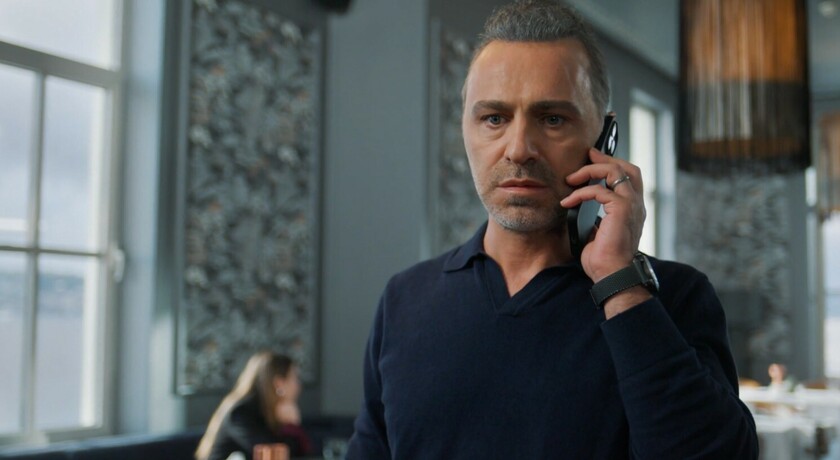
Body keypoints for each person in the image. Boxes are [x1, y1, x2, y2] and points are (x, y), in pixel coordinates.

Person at [346, 1, 758, 458]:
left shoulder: (674, 299)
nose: (519, 148)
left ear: (605, 139)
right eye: (494, 118)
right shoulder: (404, 301)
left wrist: (620, 283)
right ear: (465, 129)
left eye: (552, 119)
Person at [195, 351, 312, 460]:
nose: (298, 386)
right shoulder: (241, 413)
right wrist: (290, 427)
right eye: (295, 378)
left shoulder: (269, 411)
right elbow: (272, 454)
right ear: (279, 383)